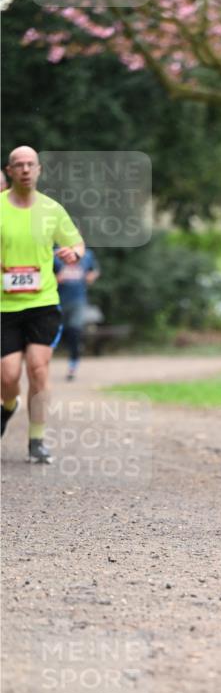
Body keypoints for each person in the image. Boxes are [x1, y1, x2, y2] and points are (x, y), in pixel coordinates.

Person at [1, 146, 85, 463]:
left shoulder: (52, 209)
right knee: (7, 377)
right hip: (4, 306)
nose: (24, 169)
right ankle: (8, 405)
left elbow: (75, 242)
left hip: (43, 301)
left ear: (38, 170)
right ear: (10, 171)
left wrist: (74, 253)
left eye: (30, 164)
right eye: (18, 165)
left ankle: (36, 439)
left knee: (38, 368)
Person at [54, 246, 100, 380]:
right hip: (57, 300)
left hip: (78, 300)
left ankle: (72, 367)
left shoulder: (88, 255)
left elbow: (94, 271)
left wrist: (91, 276)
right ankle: (42, 366)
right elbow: (41, 274)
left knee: (74, 332)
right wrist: (55, 278)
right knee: (57, 333)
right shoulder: (54, 254)